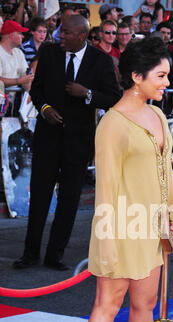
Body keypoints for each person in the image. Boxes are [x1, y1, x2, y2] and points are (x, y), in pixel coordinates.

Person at [84, 36, 173, 322]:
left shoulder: (158, 117)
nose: (166, 83)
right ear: (136, 76)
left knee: (143, 305)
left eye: (167, 75)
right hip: (120, 226)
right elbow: (105, 190)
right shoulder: (112, 124)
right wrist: (107, 242)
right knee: (108, 306)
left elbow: (166, 170)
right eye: (160, 76)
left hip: (151, 226)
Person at [13, 14, 121, 271]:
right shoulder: (50, 53)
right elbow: (36, 90)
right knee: (39, 195)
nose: (60, 37)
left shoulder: (101, 61)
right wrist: (45, 108)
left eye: (66, 34)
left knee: (69, 199)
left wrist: (88, 94)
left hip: (79, 141)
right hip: (47, 138)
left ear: (81, 36)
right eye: (60, 33)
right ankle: (30, 253)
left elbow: (113, 96)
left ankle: (55, 254)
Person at [0, 20, 34, 111]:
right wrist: (19, 81)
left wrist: (29, 94)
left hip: (12, 105)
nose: (23, 36)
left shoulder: (18, 52)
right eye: (20, 33)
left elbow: (25, 77)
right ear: (11, 35)